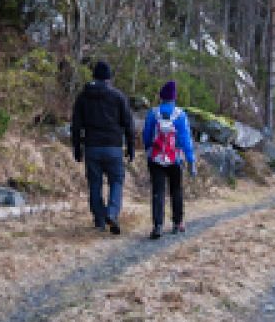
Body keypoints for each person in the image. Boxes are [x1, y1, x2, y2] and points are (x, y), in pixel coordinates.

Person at [70, 59, 136, 234]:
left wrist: (77, 148)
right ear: (109, 78)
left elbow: (76, 125)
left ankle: (99, 220)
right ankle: (112, 213)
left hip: (92, 147)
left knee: (95, 183)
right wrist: (131, 147)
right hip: (113, 147)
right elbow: (128, 124)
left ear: (94, 76)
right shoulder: (118, 96)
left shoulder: (83, 97)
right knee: (117, 181)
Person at [142, 79, 195, 239]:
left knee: (158, 191)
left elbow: (146, 135)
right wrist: (191, 160)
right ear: (174, 97)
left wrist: (149, 150)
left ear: (161, 96)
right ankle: (177, 222)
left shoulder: (153, 113)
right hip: (175, 158)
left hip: (156, 158)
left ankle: (157, 225)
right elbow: (186, 139)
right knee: (176, 190)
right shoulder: (180, 115)